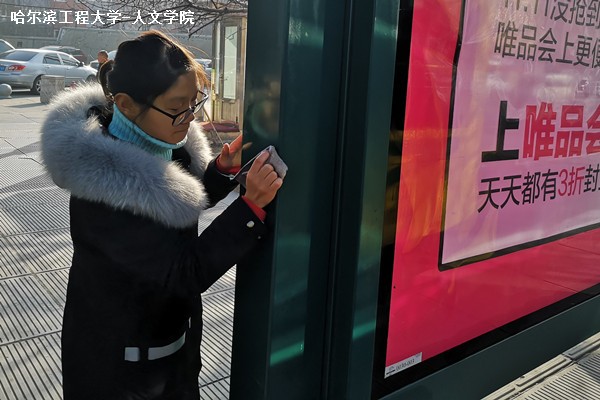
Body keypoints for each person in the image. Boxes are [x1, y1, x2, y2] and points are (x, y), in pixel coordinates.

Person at [40, 30, 284, 400]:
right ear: (126, 104)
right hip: (122, 374)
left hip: (168, 353)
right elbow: (182, 273)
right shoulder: (107, 188)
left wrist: (220, 170)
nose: (189, 118)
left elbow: (175, 198)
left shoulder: (158, 144)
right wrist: (248, 210)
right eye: (176, 107)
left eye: (194, 102)